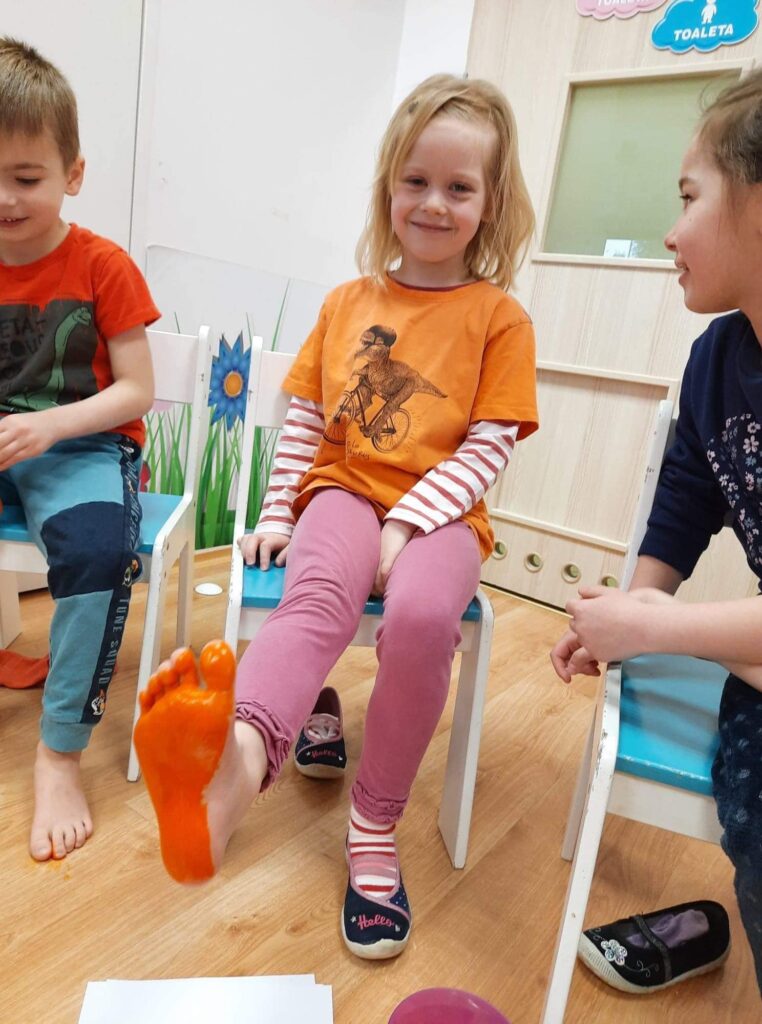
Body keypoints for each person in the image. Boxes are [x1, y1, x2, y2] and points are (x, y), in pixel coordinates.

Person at [134, 73, 538, 959]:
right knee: (315, 597)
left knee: (425, 620)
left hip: (444, 515)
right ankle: (234, 771)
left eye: (459, 187)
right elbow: (306, 423)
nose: (433, 203)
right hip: (343, 488)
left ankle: (374, 823)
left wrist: (409, 524)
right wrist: (279, 511)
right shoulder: (346, 304)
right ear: (389, 185)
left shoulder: (500, 318)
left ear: (491, 202)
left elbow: (489, 447)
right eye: (415, 181)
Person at [550, 69, 762, 992]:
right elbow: (684, 501)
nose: (670, 233)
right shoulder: (717, 360)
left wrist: (654, 627)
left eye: (687, 198)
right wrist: (629, 617)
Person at [0, 38, 158, 862]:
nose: (6, 199)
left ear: (74, 174)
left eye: (26, 178)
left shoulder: (103, 265)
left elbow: (137, 390)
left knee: (97, 554)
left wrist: (51, 427)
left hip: (83, 447)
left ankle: (59, 752)